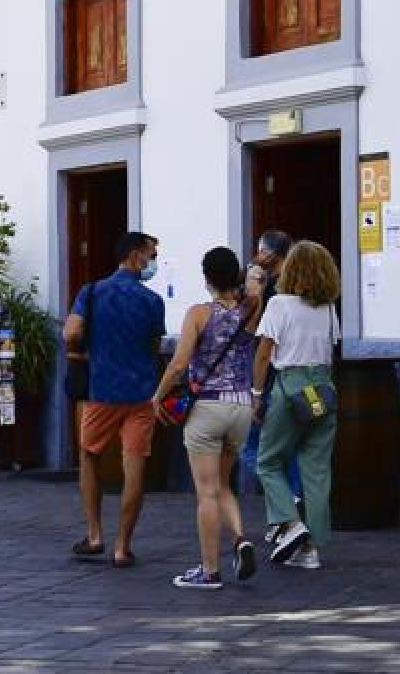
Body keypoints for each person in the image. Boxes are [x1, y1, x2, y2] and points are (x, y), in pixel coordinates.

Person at [152, 247, 263, 589]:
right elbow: (258, 284)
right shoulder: (251, 310)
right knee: (223, 484)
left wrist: (158, 394)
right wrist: (253, 274)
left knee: (206, 492)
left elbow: (180, 362)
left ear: (206, 278)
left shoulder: (198, 313)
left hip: (207, 409)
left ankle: (210, 570)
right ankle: (241, 538)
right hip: (241, 406)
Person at [63, 231, 166, 567]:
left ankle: (94, 535)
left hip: (102, 391)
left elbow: (71, 333)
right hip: (141, 394)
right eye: (151, 255)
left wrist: (89, 347)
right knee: (134, 465)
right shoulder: (152, 302)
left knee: (89, 455)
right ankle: (123, 546)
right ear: (136, 256)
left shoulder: (91, 292)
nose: (153, 262)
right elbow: (154, 346)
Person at [252, 241, 341, 570]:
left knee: (268, 462)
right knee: (316, 471)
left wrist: (256, 394)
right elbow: (331, 352)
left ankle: (290, 524)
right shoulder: (328, 307)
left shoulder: (279, 304)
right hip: (323, 388)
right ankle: (311, 551)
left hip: (290, 385)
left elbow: (264, 354)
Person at [240, 229, 303, 501]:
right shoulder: (305, 288)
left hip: (270, 376)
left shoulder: (272, 293)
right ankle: (296, 499)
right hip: (301, 374)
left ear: (268, 254)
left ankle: (284, 496)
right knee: (293, 446)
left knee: (250, 443)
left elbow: (256, 336)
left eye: (260, 250)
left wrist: (253, 288)